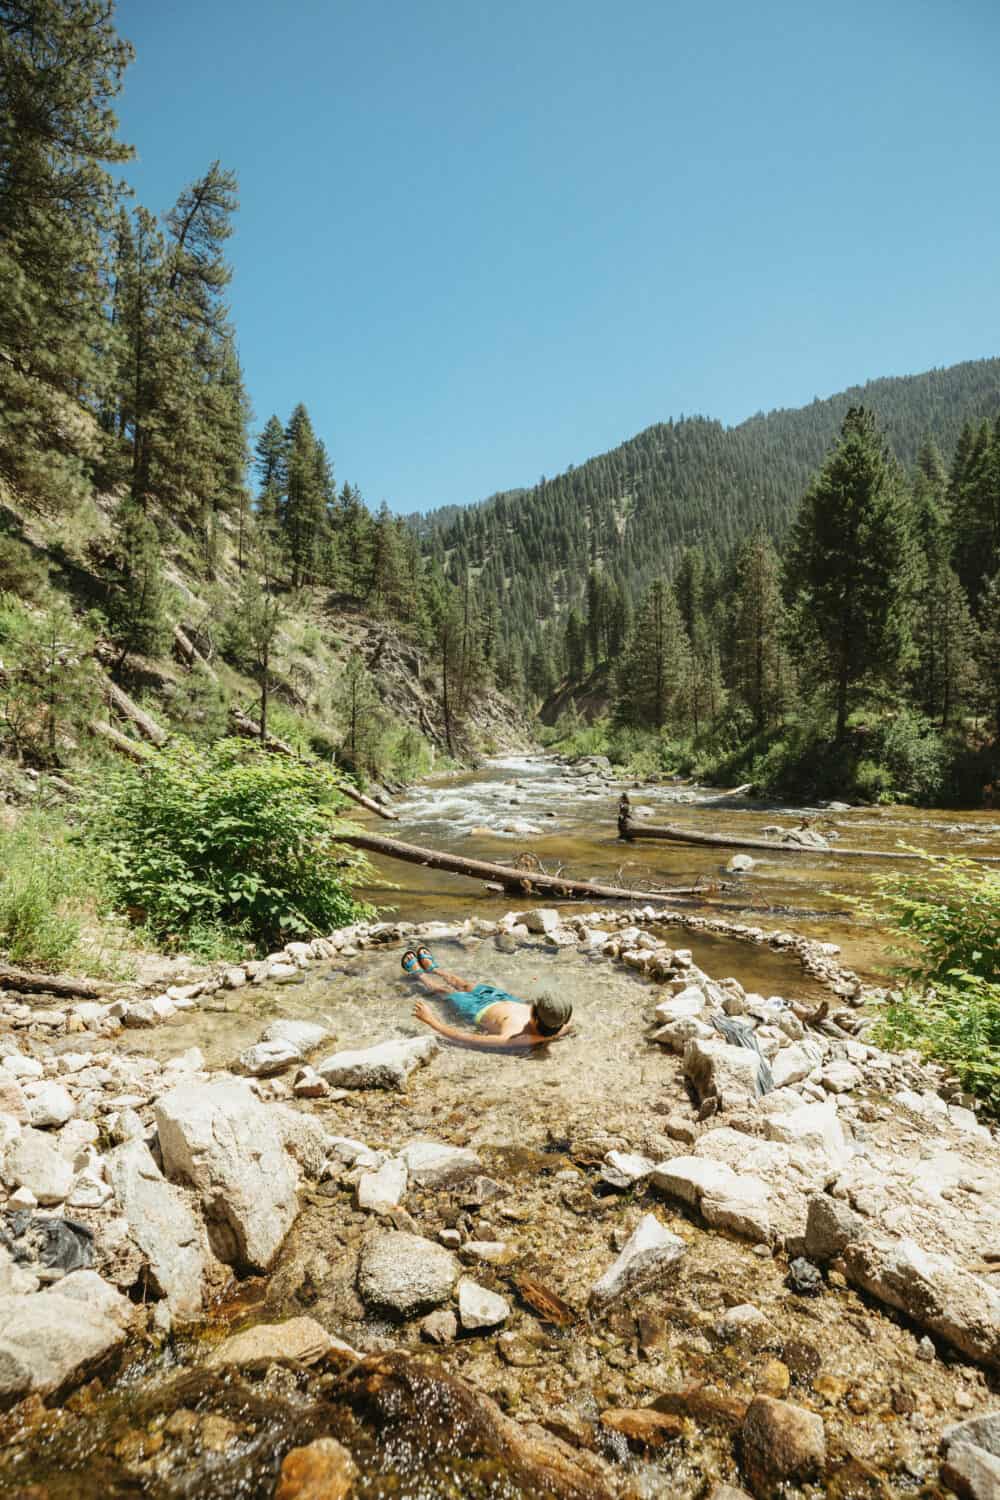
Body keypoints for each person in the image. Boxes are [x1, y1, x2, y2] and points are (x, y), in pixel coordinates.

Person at [401, 946, 572, 1050]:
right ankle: (435, 969)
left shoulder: (514, 1038)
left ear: (535, 1012)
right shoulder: (562, 1023)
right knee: (465, 984)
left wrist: (432, 1021)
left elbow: (465, 1038)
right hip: (502, 998)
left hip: (476, 1009)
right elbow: (567, 1025)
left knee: (445, 991)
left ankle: (420, 975)